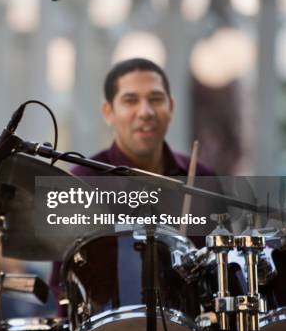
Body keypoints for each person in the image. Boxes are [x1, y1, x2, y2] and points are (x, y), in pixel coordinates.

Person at [50, 57, 216, 314]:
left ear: (171, 108)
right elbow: (63, 287)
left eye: (156, 99)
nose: (145, 112)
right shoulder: (80, 183)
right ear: (108, 112)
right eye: (130, 100)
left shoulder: (203, 179)